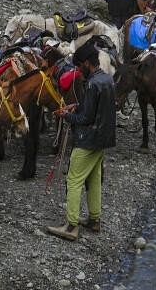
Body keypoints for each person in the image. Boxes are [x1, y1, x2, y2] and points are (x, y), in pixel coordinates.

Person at [46, 39, 116, 241]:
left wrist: (65, 116)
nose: (78, 69)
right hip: (103, 139)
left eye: (79, 65)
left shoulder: (93, 83)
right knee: (94, 179)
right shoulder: (106, 79)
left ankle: (71, 226)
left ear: (87, 62)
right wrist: (76, 106)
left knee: (74, 180)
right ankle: (94, 219)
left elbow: (86, 119)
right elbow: (94, 108)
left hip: (87, 140)